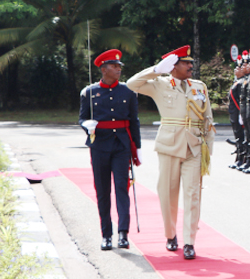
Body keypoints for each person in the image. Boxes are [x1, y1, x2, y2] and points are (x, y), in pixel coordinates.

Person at [127, 45, 214, 260]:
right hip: (169, 145)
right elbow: (131, 84)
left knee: (193, 194)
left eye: (191, 62)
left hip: (194, 145)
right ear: (173, 67)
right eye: (186, 63)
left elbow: (208, 119)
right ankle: (170, 235)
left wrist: (208, 150)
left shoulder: (199, 86)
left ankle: (189, 242)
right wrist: (156, 69)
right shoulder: (159, 84)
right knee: (168, 194)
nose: (191, 66)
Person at [79, 49, 141, 251]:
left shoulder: (128, 91)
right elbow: (82, 117)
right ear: (103, 69)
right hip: (99, 146)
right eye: (114, 66)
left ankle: (123, 233)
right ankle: (106, 234)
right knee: (103, 191)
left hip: (121, 144)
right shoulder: (89, 92)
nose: (118, 70)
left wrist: (137, 147)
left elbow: (134, 120)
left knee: (122, 188)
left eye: (119, 66)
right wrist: (85, 125)